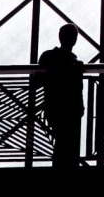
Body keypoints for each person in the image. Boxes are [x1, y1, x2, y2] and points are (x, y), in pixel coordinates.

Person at [34, 23, 85, 169]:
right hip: (69, 108)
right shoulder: (73, 62)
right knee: (69, 143)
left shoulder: (48, 56)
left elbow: (37, 81)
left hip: (55, 105)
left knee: (63, 142)